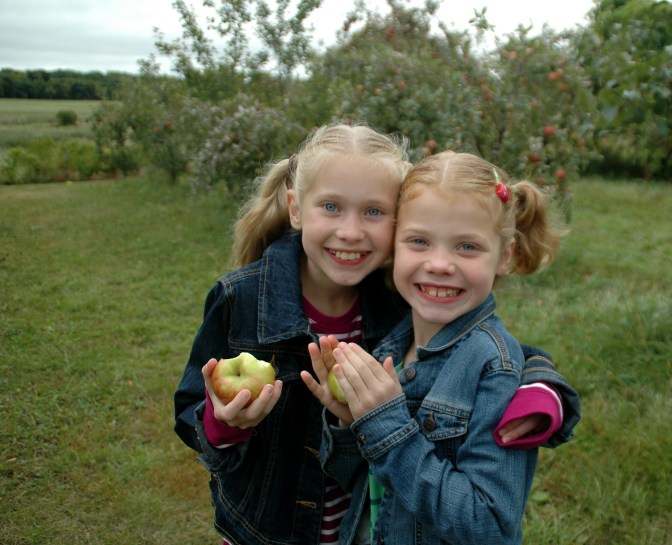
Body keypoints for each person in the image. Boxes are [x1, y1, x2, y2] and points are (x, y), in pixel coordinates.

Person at [173, 124, 580, 545]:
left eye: (373, 212)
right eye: (331, 206)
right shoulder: (243, 299)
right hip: (265, 529)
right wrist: (225, 424)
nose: (350, 231)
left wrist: (542, 385)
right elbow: (190, 409)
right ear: (296, 208)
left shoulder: (396, 307)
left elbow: (484, 352)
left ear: (394, 225)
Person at [303, 151, 565, 544]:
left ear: (505, 256)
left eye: (467, 247)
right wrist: (348, 423)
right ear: (394, 244)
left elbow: (488, 526)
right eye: (419, 241)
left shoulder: (494, 368)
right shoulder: (392, 342)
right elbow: (356, 481)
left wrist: (384, 423)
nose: (440, 263)